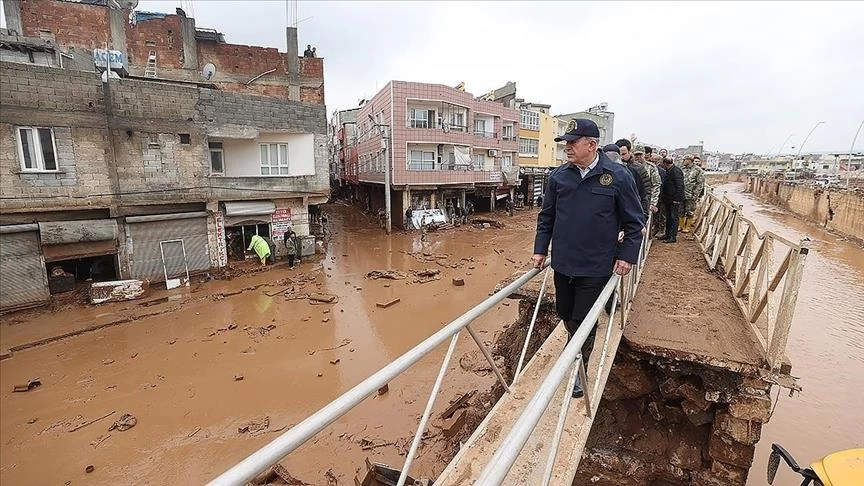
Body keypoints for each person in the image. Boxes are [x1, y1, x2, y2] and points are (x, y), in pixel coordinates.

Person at [532, 119, 644, 398]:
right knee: (565, 313)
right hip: (563, 263)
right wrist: (540, 250)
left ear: (592, 145)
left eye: (573, 142)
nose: (567, 148)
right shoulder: (559, 177)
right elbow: (546, 218)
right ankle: (574, 343)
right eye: (566, 143)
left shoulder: (617, 176)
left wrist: (627, 257)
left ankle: (578, 370)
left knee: (584, 320)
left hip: (596, 265)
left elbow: (635, 223)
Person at [605, 143, 647, 217]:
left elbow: (641, 195)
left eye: (614, 156)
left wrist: (643, 216)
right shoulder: (596, 173)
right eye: (607, 156)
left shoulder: (629, 173)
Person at [616, 139, 651, 220]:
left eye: (624, 154)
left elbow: (646, 193)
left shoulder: (638, 169)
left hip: (634, 211)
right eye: (618, 154)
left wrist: (644, 215)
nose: (621, 157)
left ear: (630, 152)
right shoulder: (612, 168)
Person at [661, 157, 685, 243]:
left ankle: (672, 236)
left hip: (674, 199)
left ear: (665, 164)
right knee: (669, 217)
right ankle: (667, 234)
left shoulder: (676, 171)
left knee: (674, 217)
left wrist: (677, 199)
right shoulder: (669, 170)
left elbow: (680, 186)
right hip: (668, 199)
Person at [681, 155, 705, 233]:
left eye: (684, 160)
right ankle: (680, 226)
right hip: (681, 194)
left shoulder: (698, 170)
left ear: (689, 160)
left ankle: (687, 226)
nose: (683, 161)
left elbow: (700, 184)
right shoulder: (682, 169)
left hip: (691, 195)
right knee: (680, 211)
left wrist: (695, 195)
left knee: (690, 211)